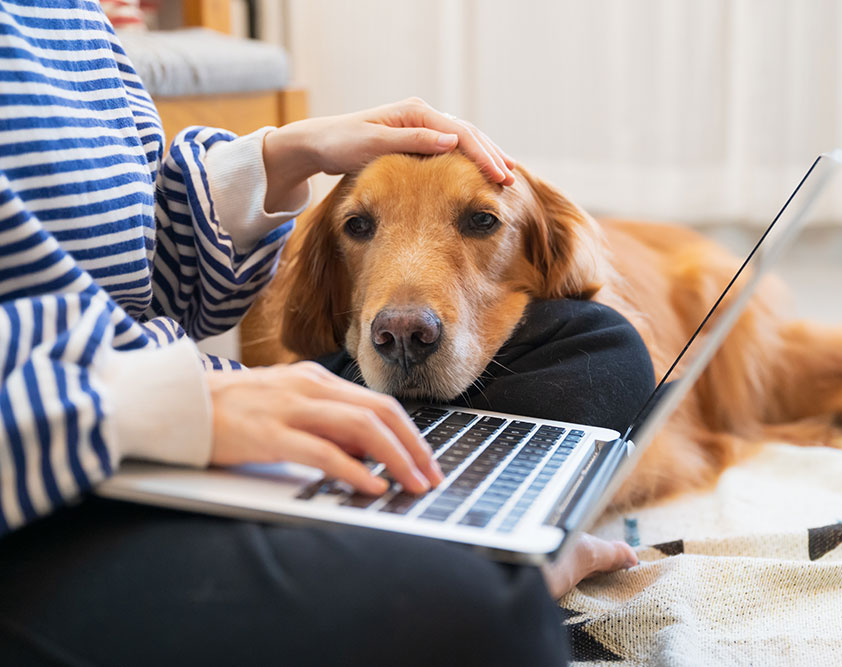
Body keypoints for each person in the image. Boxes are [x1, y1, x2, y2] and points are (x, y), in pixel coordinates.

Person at [0, 2, 652, 664]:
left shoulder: (70, 13)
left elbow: (144, 270)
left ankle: (426, 502)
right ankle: (444, 530)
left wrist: (288, 151)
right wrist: (162, 405)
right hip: (47, 481)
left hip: (144, 416)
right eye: (360, 227)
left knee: (607, 348)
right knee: (494, 619)